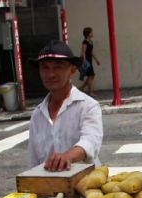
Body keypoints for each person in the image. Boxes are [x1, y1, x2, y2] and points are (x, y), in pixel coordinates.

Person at [28, 40, 103, 172]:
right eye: (45, 67)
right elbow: (34, 161)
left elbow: (91, 141)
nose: (51, 74)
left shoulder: (88, 106)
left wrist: (68, 156)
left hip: (86, 184)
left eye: (58, 66)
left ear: (72, 70)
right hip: (50, 187)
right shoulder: (37, 115)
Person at [79, 27, 100, 97]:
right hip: (87, 60)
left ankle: (82, 88)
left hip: (90, 60)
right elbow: (83, 51)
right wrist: (84, 61)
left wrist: (96, 60)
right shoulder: (85, 42)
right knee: (91, 75)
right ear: (88, 34)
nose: (92, 33)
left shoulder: (90, 41)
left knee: (91, 76)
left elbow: (91, 52)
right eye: (91, 32)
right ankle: (90, 91)